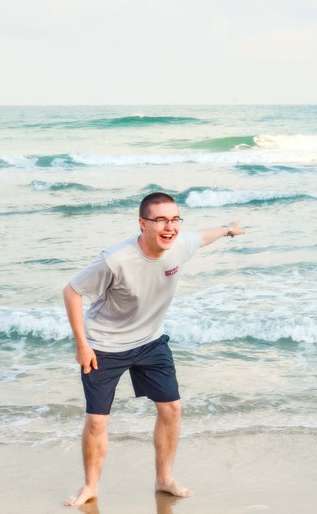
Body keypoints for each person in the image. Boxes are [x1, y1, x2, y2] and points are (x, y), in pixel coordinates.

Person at [63, 191, 246, 507]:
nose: (169, 227)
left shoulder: (178, 245)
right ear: (142, 223)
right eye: (160, 220)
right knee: (97, 420)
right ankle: (91, 486)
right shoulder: (115, 259)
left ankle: (164, 479)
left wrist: (228, 229)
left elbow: (203, 237)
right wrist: (83, 345)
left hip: (150, 341)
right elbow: (72, 291)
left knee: (171, 407)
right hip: (105, 345)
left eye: (174, 219)